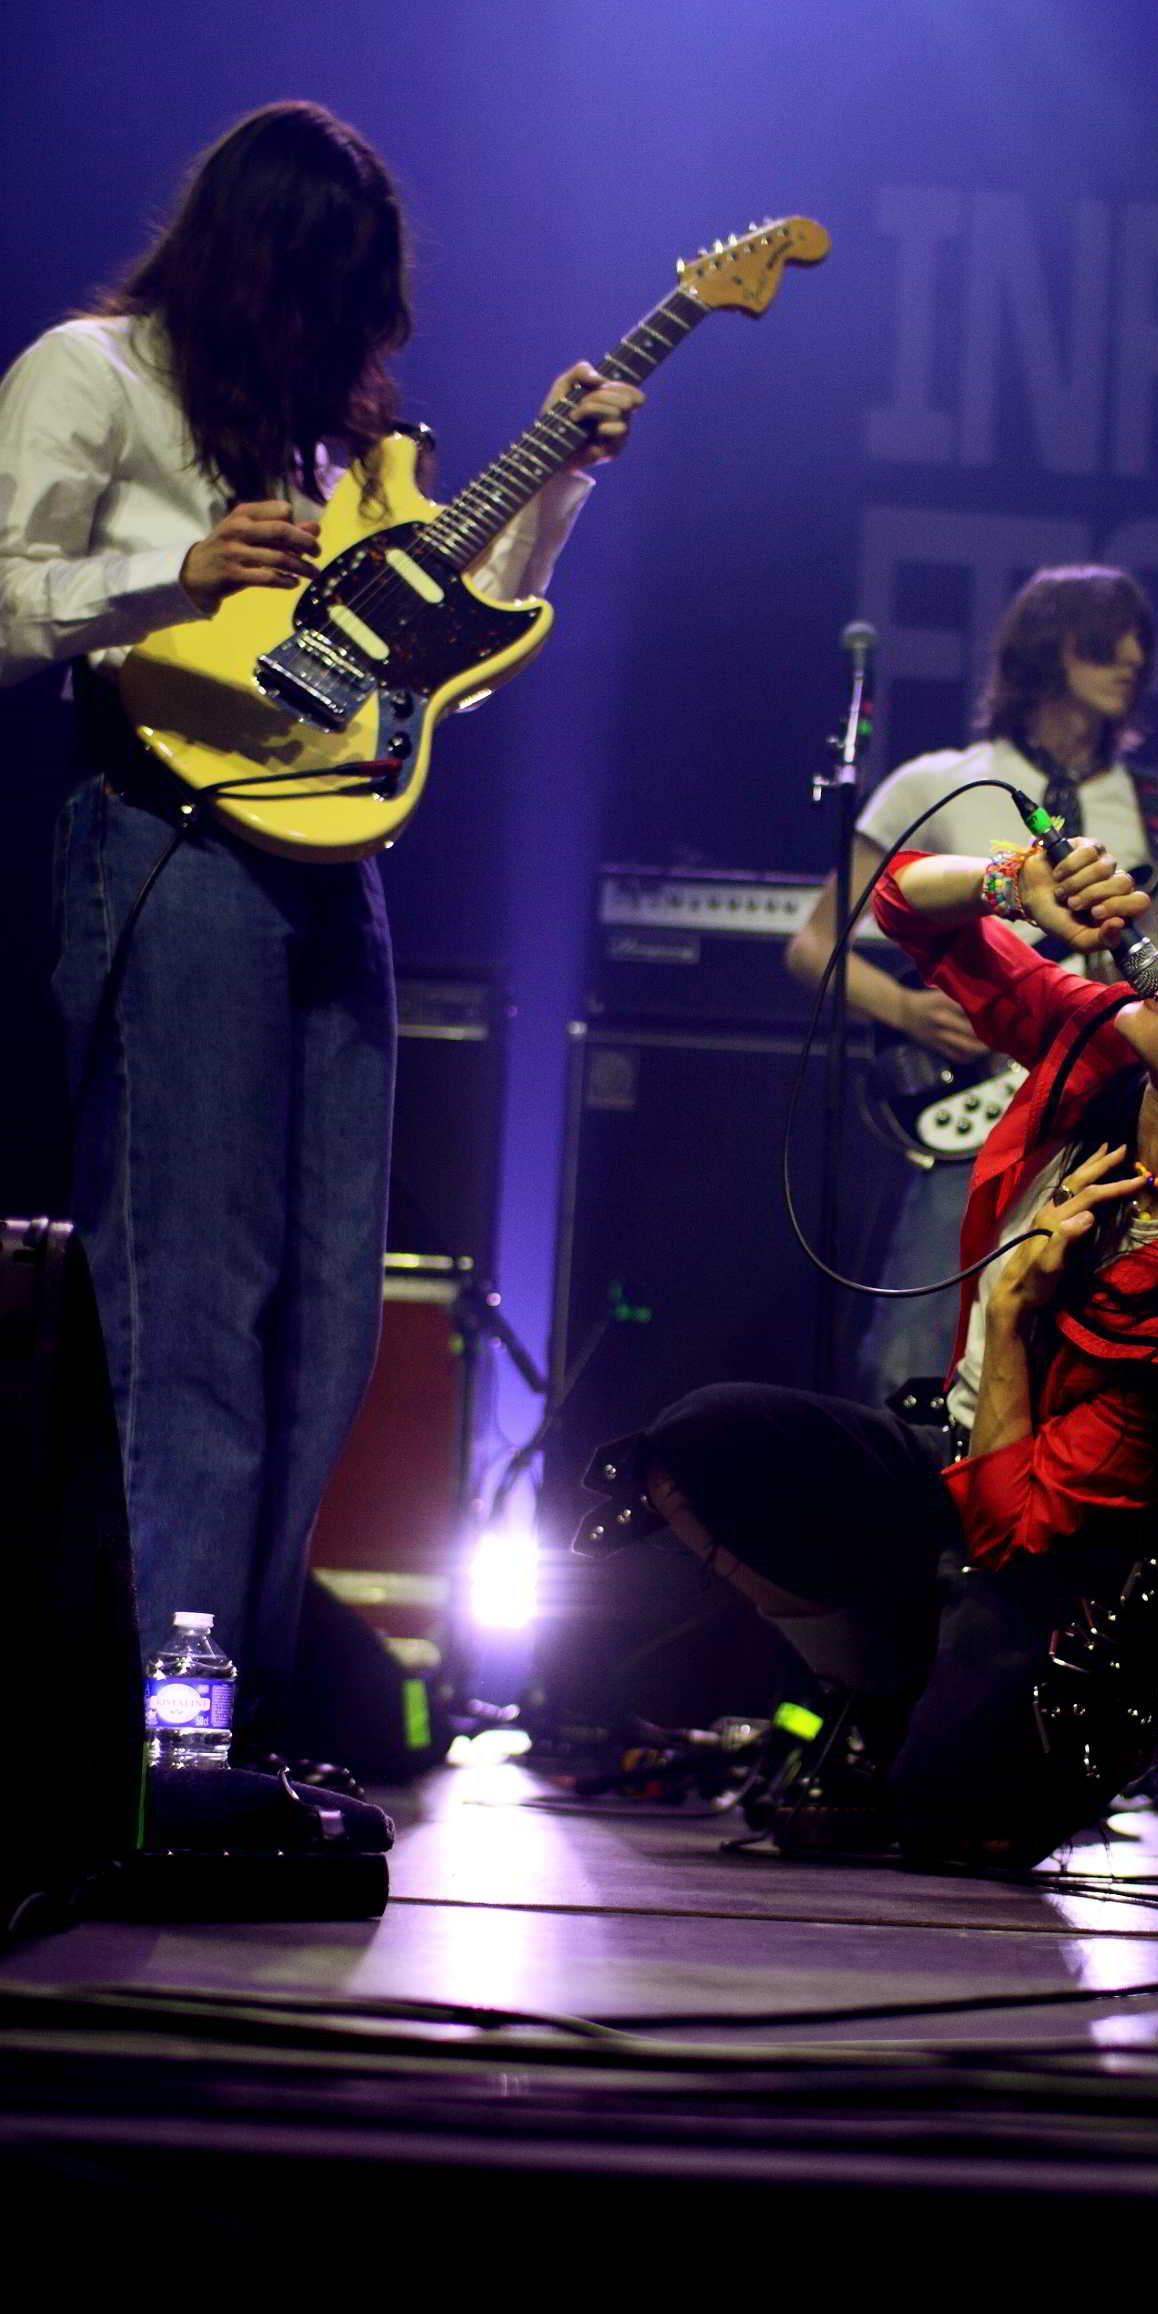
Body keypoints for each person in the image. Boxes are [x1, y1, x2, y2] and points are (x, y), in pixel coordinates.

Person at [0, 101, 641, 1750]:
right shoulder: (94, 374)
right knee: (195, 1300)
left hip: (331, 856)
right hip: (169, 839)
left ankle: (242, 1705)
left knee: (330, 1317)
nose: (345, 333)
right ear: (251, 262)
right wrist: (179, 573)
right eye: (322, 290)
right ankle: (175, 1731)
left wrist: (559, 480)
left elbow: (436, 644)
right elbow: (4, 599)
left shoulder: (334, 445)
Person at [583, 829, 1158, 1872]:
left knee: (952, 1827)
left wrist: (1013, 1314)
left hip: (1075, 1560)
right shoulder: (1102, 1042)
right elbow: (901, 906)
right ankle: (882, 1694)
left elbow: (1017, 1533)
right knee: (702, 1444)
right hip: (962, 1462)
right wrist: (1009, 884)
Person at [784, 564, 1158, 1394]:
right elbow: (813, 945)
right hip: (978, 1097)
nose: (1132, 661)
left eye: (1140, 647)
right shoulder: (935, 781)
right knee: (907, 1363)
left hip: (1112, 1112)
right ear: (1047, 650)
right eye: (1105, 643)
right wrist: (906, 1005)